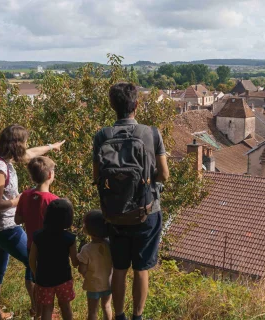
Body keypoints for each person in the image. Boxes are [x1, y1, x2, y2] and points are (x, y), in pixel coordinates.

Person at [92, 83, 169, 320]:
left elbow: (96, 177)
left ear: (112, 106)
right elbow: (164, 175)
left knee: (120, 269)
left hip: (115, 212)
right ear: (136, 105)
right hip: (146, 211)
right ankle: (138, 316)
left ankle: (120, 315)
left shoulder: (102, 136)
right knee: (141, 269)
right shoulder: (152, 133)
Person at [0, 124, 64, 320]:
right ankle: (40, 311)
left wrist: (52, 146)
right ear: (16, 144)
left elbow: (32, 153)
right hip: (3, 227)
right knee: (36, 262)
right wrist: (22, 199)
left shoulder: (2, 158)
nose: (27, 145)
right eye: (24, 142)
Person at [15, 156, 59, 319]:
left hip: (31, 246)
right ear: (49, 175)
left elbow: (17, 220)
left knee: (36, 279)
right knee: (48, 285)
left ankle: (38, 312)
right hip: (50, 251)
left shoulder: (25, 195)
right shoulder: (54, 201)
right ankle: (46, 313)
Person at [29, 199, 80, 320]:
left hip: (43, 279)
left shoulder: (38, 236)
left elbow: (31, 259)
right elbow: (74, 262)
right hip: (64, 279)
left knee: (47, 308)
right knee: (65, 306)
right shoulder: (70, 239)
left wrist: (36, 274)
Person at [78, 210, 113, 320]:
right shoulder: (110, 245)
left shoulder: (86, 249)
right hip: (108, 284)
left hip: (93, 286)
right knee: (107, 306)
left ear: (89, 230)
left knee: (93, 311)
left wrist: (83, 272)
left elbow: (81, 269)